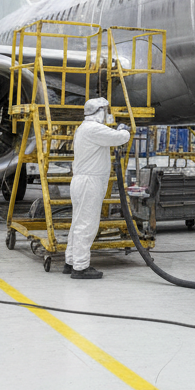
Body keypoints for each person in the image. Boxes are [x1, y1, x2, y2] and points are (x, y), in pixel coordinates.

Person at [63, 98, 131, 279]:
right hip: (89, 183)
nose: (107, 114)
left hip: (81, 181)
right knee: (87, 225)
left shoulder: (83, 128)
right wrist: (124, 130)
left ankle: (71, 261)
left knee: (78, 223)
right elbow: (120, 138)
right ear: (99, 111)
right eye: (105, 111)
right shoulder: (94, 129)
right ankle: (80, 267)